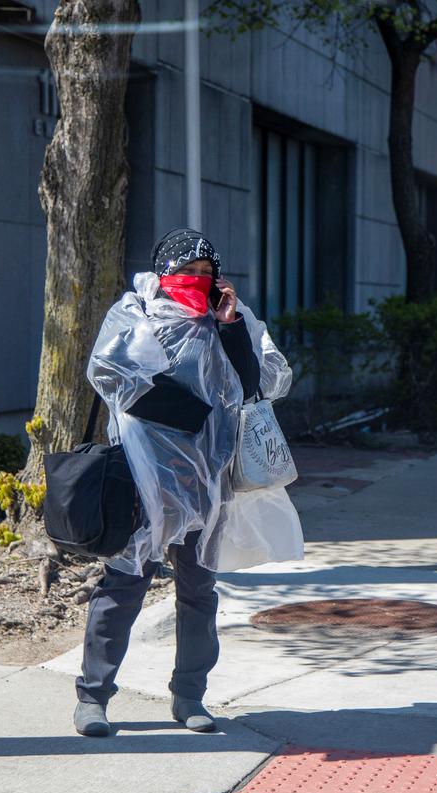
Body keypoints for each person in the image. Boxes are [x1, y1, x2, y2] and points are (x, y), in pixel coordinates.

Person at [74, 228, 300, 737]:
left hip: (210, 481)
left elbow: (259, 385)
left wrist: (230, 326)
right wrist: (193, 415)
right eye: (187, 271)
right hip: (146, 479)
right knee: (124, 583)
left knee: (199, 590)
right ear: (162, 269)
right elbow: (112, 375)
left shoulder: (230, 320)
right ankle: (93, 698)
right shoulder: (135, 314)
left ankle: (189, 696)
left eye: (207, 272)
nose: (197, 280)